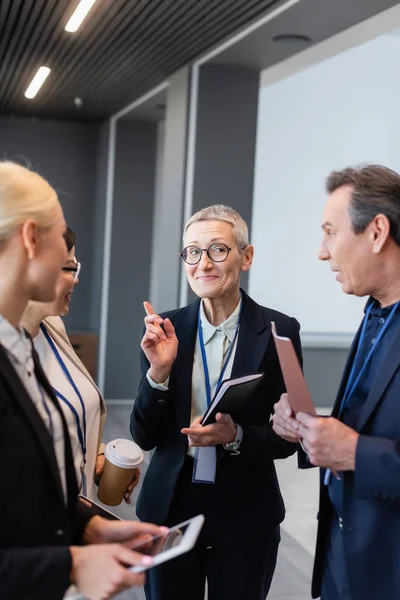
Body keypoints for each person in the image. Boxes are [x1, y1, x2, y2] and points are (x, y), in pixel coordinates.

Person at [0, 161, 165, 600]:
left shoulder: (18, 343)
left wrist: (89, 526)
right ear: (31, 238)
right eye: (62, 238)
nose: (70, 263)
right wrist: (70, 563)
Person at [130, 204, 302, 600]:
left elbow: (288, 435)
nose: (203, 263)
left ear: (247, 256)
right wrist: (158, 374)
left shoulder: (280, 330)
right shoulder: (163, 330)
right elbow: (143, 435)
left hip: (246, 510)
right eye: (193, 251)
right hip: (171, 507)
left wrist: (236, 435)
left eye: (218, 250)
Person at [272, 164, 400, 600]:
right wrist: (312, 431)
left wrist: (355, 453)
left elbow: (362, 449)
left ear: (377, 231)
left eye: (331, 232)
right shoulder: (374, 313)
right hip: (343, 560)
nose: (322, 252)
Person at [20, 227, 139, 502]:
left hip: (74, 521)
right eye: (68, 268)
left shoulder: (52, 325)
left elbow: (64, 414)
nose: (75, 280)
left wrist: (95, 452)